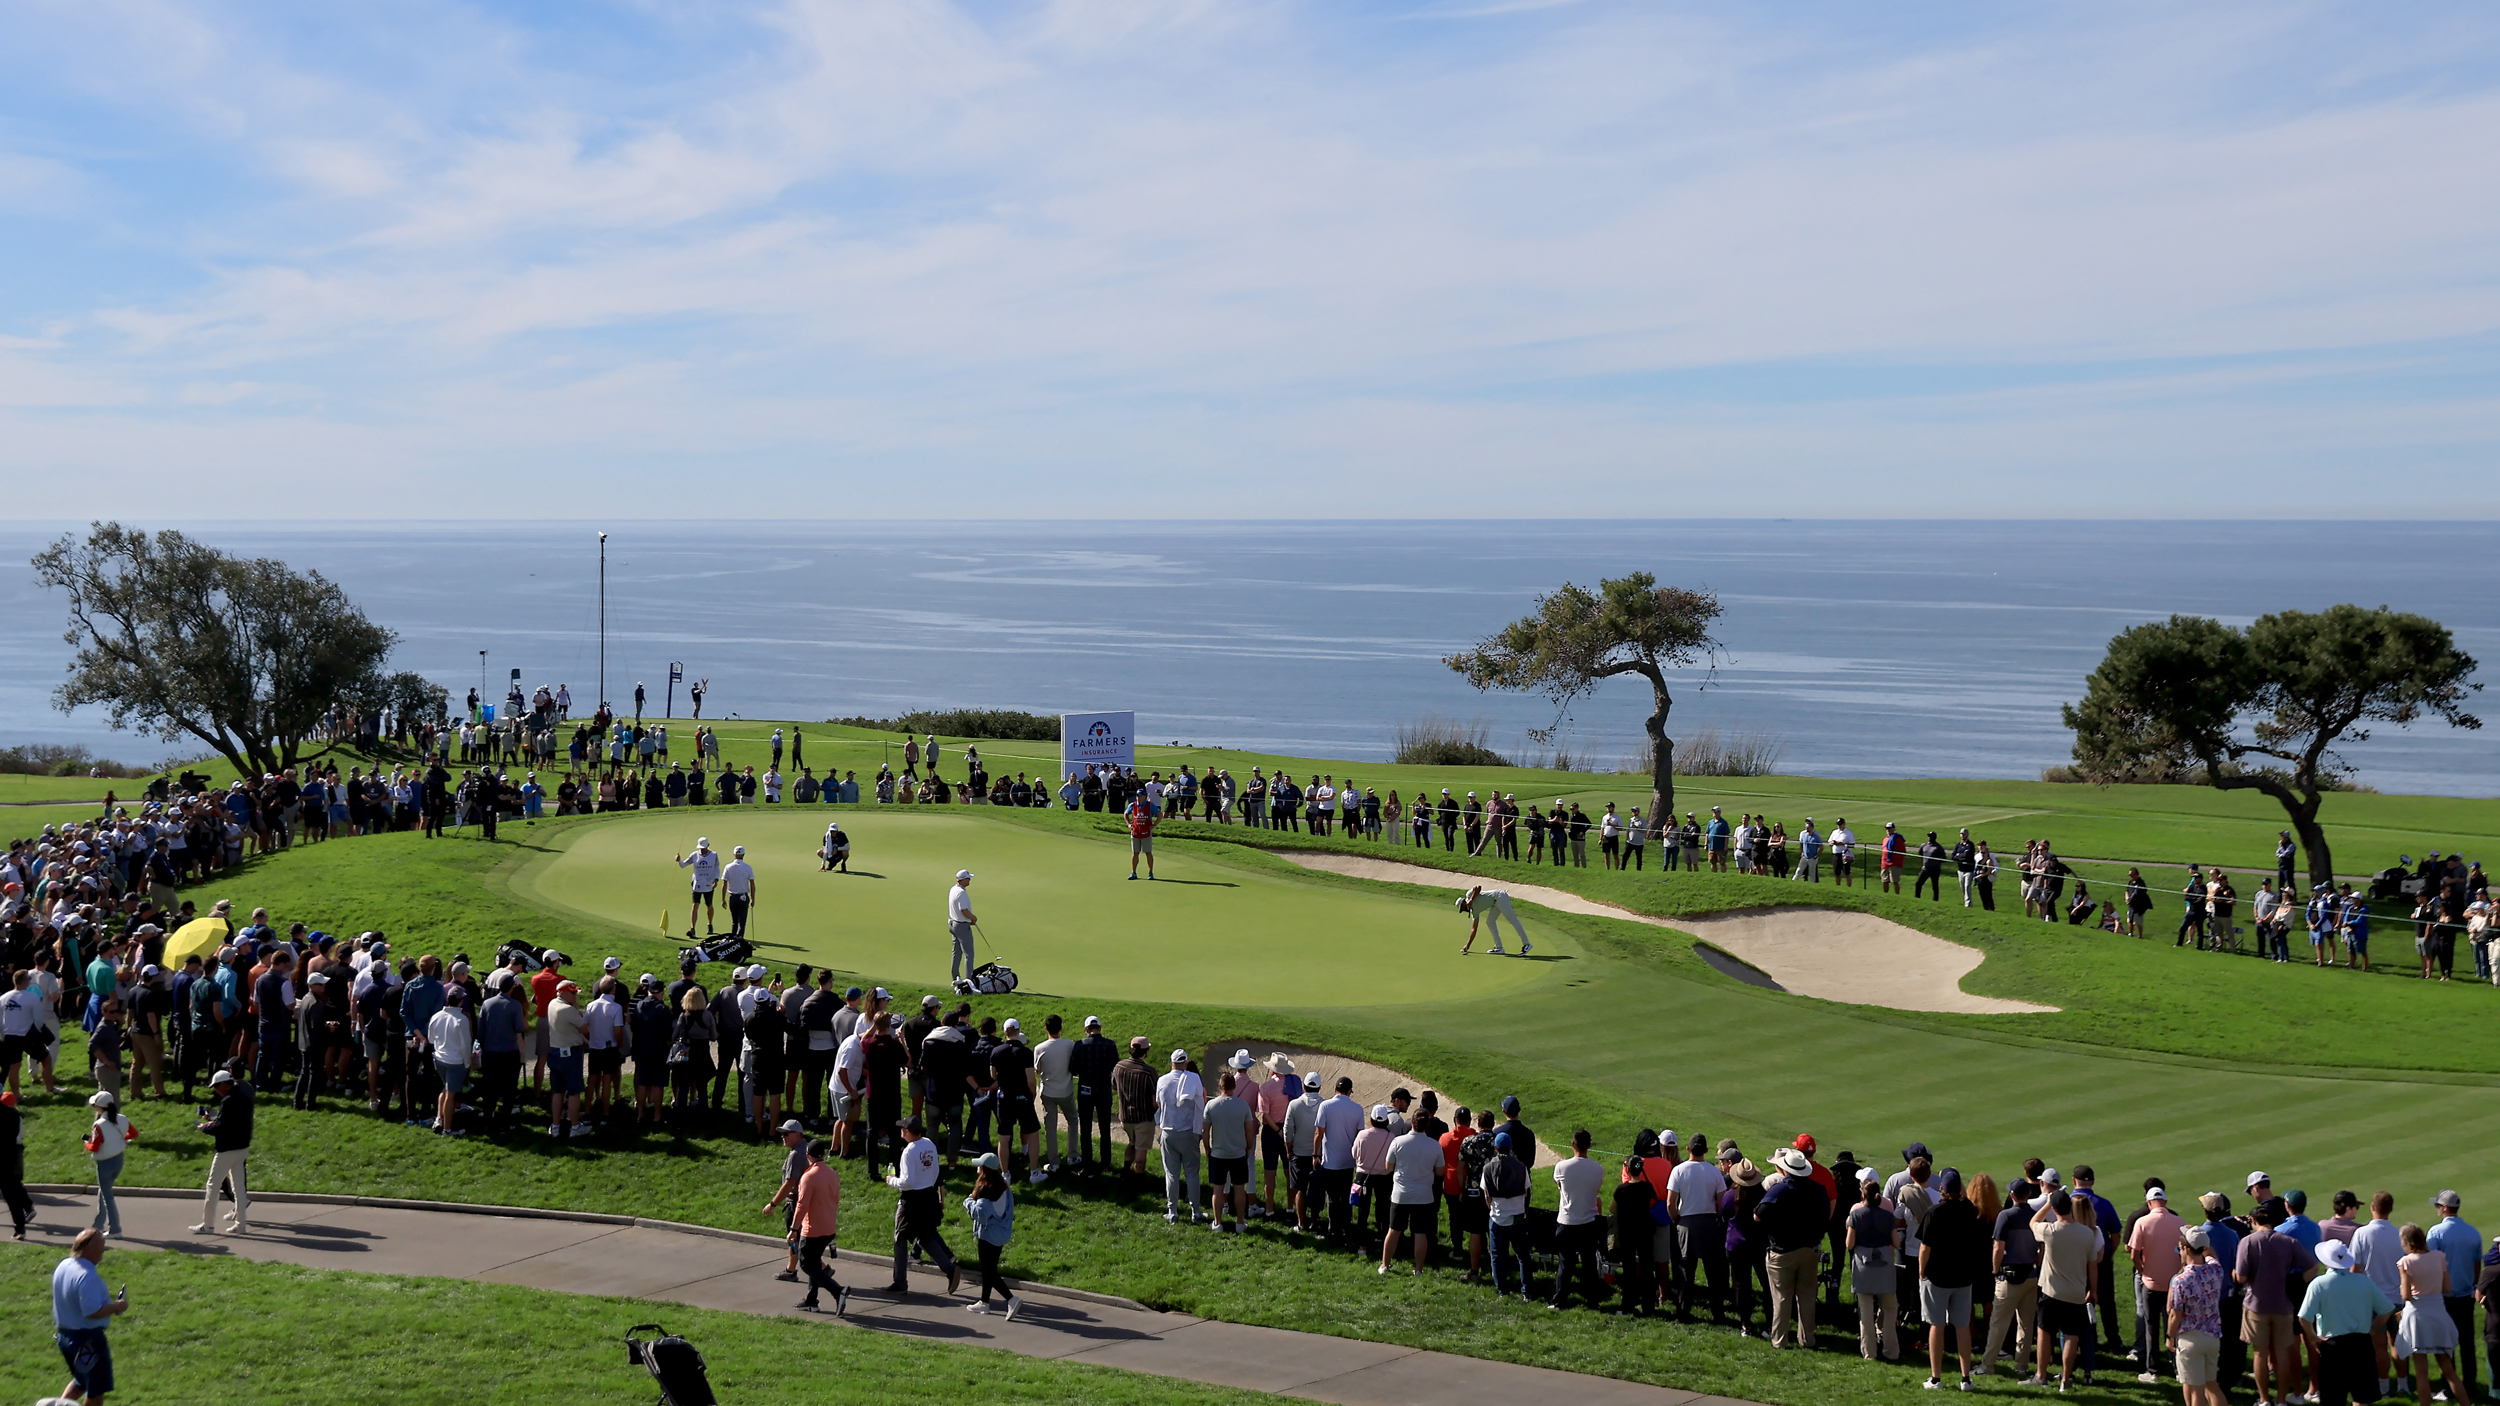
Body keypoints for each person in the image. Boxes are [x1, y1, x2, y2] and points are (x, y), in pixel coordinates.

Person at [2236, 1199, 2317, 1405]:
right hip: (2282, 1304)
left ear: (2253, 1220)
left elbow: (2242, 1277)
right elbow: (2313, 1267)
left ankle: (2264, 1400)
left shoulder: (2247, 1242)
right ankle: (2281, 1400)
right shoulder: (2287, 1241)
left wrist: (2234, 1274)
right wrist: (2294, 1281)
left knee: (2260, 1354)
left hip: (2256, 1305)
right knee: (2282, 1353)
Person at [1921, 1168, 1984, 1390]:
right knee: (1962, 1326)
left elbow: (1925, 1248)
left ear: (1942, 1190)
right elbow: (1965, 1199)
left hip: (1938, 1276)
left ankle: (1936, 1378)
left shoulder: (1934, 1212)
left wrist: (1921, 1271)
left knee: (1936, 1325)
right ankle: (1966, 1378)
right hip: (1963, 1277)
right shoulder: (1968, 1209)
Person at [2028, 1189, 2097, 1391]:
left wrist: (2048, 1204)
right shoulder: (2087, 1233)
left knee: (2044, 1332)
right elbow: (2092, 1265)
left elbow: (2032, 1223)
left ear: (2056, 1208)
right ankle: (2066, 1379)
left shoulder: (2050, 1231)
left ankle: (2041, 1376)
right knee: (2071, 1336)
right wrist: (2093, 1290)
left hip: (2051, 1292)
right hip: (2076, 1293)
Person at [1760, 1144, 1828, 1346]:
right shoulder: (1818, 1189)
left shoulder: (1780, 1189)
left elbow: (1758, 1214)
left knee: (1781, 1297)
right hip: (1810, 1248)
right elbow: (1825, 1217)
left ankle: (1780, 1339)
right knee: (1806, 1295)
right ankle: (1807, 1338)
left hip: (1782, 1251)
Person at [885, 1116, 960, 1298]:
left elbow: (907, 1182)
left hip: (911, 1200)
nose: (901, 1131)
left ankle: (900, 1282)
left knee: (900, 1238)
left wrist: (891, 1181)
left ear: (909, 1131)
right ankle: (949, 1269)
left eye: (903, 1128)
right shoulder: (929, 1144)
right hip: (928, 1196)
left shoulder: (909, 1152)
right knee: (924, 1236)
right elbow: (935, 1171)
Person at [53, 1228, 130, 1405]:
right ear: (88, 1248)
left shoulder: (64, 1265)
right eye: (101, 1246)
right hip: (87, 1340)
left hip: (65, 1336)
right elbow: (93, 1311)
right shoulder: (86, 1276)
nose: (104, 1250)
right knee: (96, 1389)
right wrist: (117, 1307)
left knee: (81, 1381)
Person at [2398, 1221, 2469, 1405]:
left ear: (2407, 1242)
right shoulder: (2439, 1257)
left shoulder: (2406, 1262)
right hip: (2438, 1314)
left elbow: (2405, 1295)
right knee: (2449, 1371)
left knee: (2422, 1372)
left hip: (2417, 1318)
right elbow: (2447, 1287)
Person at [2426, 1189, 2483, 1399]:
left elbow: (2431, 1263)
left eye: (2437, 1206)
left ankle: (2449, 1388)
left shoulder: (2435, 1232)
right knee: (2467, 1344)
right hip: (2466, 1296)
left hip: (2444, 1297)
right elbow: (2477, 1265)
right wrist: (2472, 1285)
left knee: (2445, 1343)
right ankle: (2470, 1388)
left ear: (2444, 1208)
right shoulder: (2473, 1232)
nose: (2437, 1210)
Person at [786, 1137, 851, 1316]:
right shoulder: (832, 1174)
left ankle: (838, 1291)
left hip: (812, 1228)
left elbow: (802, 1205)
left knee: (807, 1264)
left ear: (808, 1156)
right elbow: (835, 1200)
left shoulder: (808, 1176)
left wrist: (793, 1229)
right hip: (828, 1227)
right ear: (823, 1154)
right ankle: (811, 1301)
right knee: (814, 1263)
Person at [1383, 1107, 1446, 1277]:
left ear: (1412, 1122)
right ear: (1427, 1125)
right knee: (1420, 1233)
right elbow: (1440, 1172)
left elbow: (1388, 1166)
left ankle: (1385, 1265)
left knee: (1394, 1230)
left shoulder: (1398, 1142)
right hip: (1423, 1195)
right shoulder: (1434, 1145)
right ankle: (1418, 1269)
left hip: (1401, 1193)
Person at [1849, 1171, 1903, 1360]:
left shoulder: (1856, 1214)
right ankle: (1891, 1351)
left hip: (1864, 1266)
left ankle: (1869, 1352)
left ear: (1863, 1194)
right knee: (1889, 1309)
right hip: (1884, 1265)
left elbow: (1849, 1243)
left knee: (1866, 1313)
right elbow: (1897, 1243)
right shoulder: (1888, 1216)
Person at [1550, 1128, 1606, 1310]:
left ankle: (1559, 1301)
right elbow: (1595, 1191)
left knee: (1565, 1265)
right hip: (1588, 1222)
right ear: (1589, 1145)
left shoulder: (1561, 1167)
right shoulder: (1598, 1169)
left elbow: (1561, 1188)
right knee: (1589, 1265)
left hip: (1567, 1221)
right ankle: (1593, 1301)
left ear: (1572, 1144)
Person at [965, 1152, 1022, 1318]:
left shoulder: (985, 1189)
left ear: (985, 1170)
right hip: (1001, 1233)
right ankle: (984, 1303)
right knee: (989, 1269)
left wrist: (968, 1202)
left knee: (988, 1271)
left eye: (979, 1166)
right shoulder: (1002, 1185)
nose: (977, 1168)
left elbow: (979, 1213)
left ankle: (1011, 1299)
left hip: (988, 1234)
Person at [1203, 1066, 1257, 1233]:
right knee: (1239, 1188)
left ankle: (1218, 1223)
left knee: (1218, 1189)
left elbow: (1205, 1131)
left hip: (1218, 1153)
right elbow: (1249, 1130)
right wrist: (1248, 1147)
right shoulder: (1243, 1106)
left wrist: (1207, 1149)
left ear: (1220, 1087)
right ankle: (1240, 1222)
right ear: (1234, 1087)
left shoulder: (1211, 1105)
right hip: (1238, 1153)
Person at [1155, 1047, 1206, 1224]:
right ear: (1185, 1063)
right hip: (1188, 1132)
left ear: (1171, 1063)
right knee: (1192, 1173)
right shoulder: (1193, 1079)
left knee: (1171, 1174)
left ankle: (1173, 1211)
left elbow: (1159, 1103)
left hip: (1168, 1132)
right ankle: (1196, 1212)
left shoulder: (1162, 1080)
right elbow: (1201, 1100)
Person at [83, 1092, 134, 1238]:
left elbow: (95, 1147)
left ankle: (115, 1229)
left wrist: (86, 1144)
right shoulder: (122, 1119)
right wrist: (120, 1139)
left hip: (104, 1163)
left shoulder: (98, 1125)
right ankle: (99, 1223)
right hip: (118, 1159)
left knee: (107, 1196)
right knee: (104, 1191)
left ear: (100, 1107)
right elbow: (133, 1133)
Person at [1610, 1154, 1656, 1314]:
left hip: (1627, 1233)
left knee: (1629, 1270)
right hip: (1645, 1232)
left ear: (1627, 1169)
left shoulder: (1621, 1190)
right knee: (1647, 1269)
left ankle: (1628, 1305)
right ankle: (1649, 1306)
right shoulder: (1647, 1188)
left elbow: (1612, 1209)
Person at [1033, 1015, 1078, 1173]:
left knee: (1050, 1127)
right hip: (1065, 1091)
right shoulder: (1069, 1044)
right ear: (1061, 1028)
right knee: (1073, 1121)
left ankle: (1054, 1162)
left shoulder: (1039, 1048)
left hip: (1048, 1092)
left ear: (1046, 1029)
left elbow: (1038, 1070)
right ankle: (1072, 1156)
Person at [1456, 885, 1531, 957]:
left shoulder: (1468, 895)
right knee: (1490, 922)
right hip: (1495, 904)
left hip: (1500, 897)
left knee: (1512, 919)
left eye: (1462, 908)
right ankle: (1499, 948)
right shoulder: (1474, 912)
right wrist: (1467, 946)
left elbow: (1478, 887)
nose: (1463, 910)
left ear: (1463, 903)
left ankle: (1527, 944)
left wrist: (1471, 899)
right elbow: (1474, 929)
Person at [676, 837, 722, 938]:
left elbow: (717, 867)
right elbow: (684, 865)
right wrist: (679, 861)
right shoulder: (694, 855)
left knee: (709, 905)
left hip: (709, 884)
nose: (702, 850)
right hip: (697, 884)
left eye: (704, 848)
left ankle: (710, 924)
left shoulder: (714, 855)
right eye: (701, 848)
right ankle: (692, 929)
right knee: (695, 905)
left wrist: (716, 880)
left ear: (708, 846)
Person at [946, 871, 979, 983]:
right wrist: (973, 918)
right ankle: (969, 980)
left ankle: (955, 977)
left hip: (953, 924)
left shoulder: (953, 889)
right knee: (969, 954)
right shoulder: (961, 893)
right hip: (961, 926)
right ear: (963, 880)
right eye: (968, 878)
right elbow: (964, 910)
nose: (970, 880)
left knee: (957, 952)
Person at [722, 845, 757, 940]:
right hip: (743, 897)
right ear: (743, 855)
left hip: (732, 897)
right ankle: (739, 939)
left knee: (734, 921)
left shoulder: (728, 867)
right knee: (742, 922)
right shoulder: (748, 868)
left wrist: (723, 899)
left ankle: (733, 939)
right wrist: (753, 898)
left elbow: (724, 884)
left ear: (734, 854)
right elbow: (752, 885)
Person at [1125, 795, 1157, 880]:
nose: (1138, 797)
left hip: (1146, 832)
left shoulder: (1150, 805)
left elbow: (1159, 814)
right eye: (1137, 796)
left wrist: (1154, 825)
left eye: (1140, 796)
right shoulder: (1132, 805)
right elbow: (1126, 814)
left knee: (1148, 852)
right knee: (1135, 853)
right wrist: (1128, 824)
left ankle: (1150, 873)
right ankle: (1133, 872)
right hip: (1135, 832)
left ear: (1145, 797)